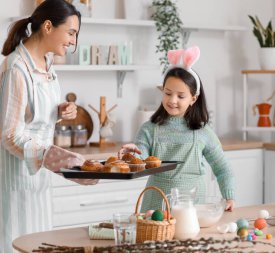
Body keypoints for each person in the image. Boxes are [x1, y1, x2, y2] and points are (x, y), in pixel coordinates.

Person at [0, 1, 95, 252]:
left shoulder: (47, 65)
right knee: (17, 243)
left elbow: (33, 117)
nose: (73, 42)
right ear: (48, 26)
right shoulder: (17, 68)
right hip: (16, 178)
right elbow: (9, 135)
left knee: (40, 244)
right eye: (71, 33)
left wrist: (59, 112)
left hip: (39, 179)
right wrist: (53, 157)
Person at [119, 46, 235, 212]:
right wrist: (132, 155)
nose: (172, 100)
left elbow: (222, 168)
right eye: (167, 93)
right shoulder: (149, 129)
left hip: (193, 207)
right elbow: (142, 160)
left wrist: (229, 196)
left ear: (193, 99)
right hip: (155, 206)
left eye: (180, 96)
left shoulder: (203, 132)